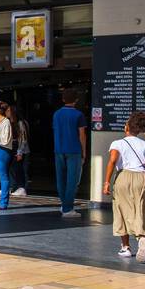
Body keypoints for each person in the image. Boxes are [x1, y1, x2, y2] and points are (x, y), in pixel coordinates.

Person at [103, 111, 145, 261]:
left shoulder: (117, 143)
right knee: (141, 208)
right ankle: (142, 237)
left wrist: (106, 182)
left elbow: (112, 161)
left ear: (127, 128)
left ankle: (125, 247)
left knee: (121, 210)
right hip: (141, 178)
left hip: (123, 177)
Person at [52, 88, 87, 218]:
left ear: (63, 99)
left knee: (61, 179)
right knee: (72, 180)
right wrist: (84, 151)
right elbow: (82, 135)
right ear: (76, 100)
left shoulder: (56, 114)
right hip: (74, 149)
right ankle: (68, 207)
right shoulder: (79, 115)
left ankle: (63, 204)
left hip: (59, 149)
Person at [8, 104, 29, 197]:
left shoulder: (20, 123)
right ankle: (13, 187)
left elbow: (23, 139)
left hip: (20, 149)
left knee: (19, 169)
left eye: (8, 111)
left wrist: (20, 151)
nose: (6, 112)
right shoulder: (9, 122)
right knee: (12, 168)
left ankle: (21, 187)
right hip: (13, 147)